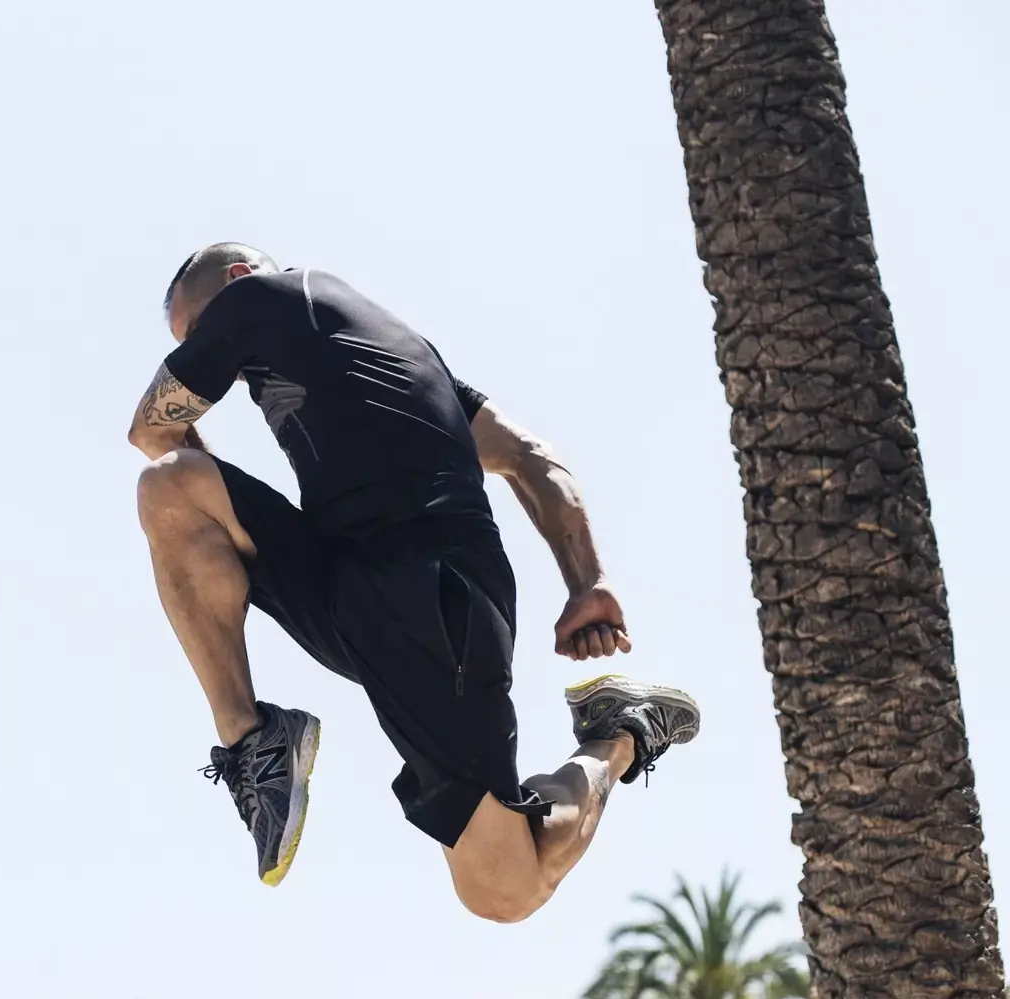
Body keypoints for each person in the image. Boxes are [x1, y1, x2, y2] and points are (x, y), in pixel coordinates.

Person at [129, 243, 699, 923]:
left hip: (430, 594)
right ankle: (255, 743)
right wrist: (586, 579)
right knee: (172, 491)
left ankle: (619, 732)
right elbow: (528, 455)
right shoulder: (389, 353)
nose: (203, 351)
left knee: (504, 889)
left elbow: (150, 426)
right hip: (346, 579)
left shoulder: (266, 297)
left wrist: (590, 584)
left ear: (238, 279)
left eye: (196, 332)